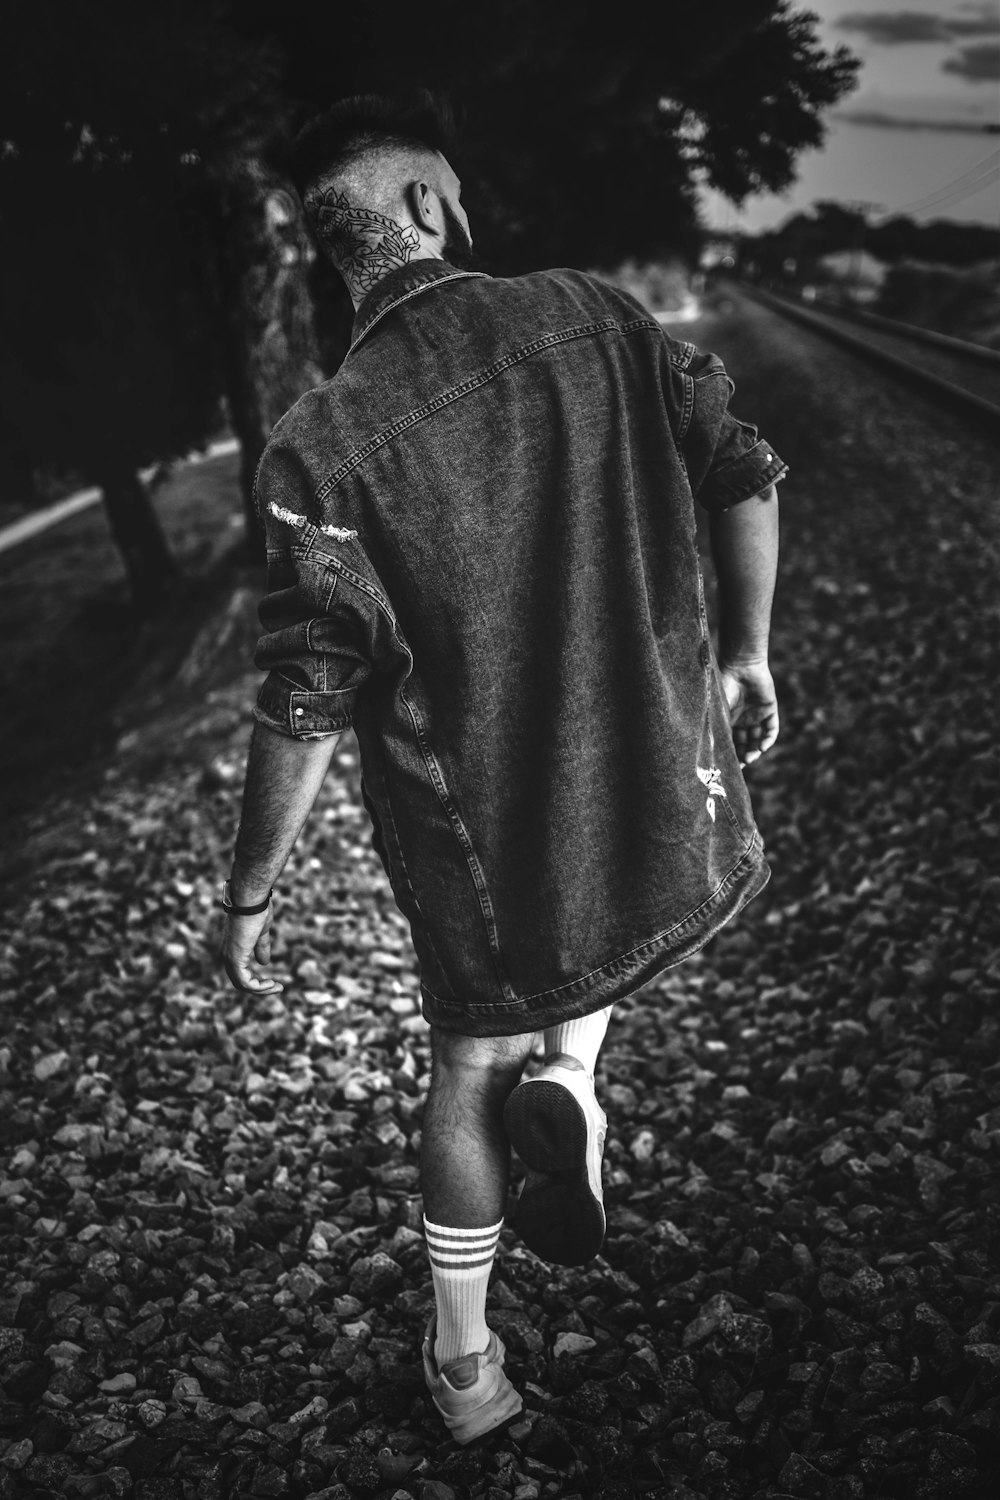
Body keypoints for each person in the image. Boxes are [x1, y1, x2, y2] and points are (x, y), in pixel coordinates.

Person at [220, 93, 784, 1444]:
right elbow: (749, 474)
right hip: (652, 776)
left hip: (467, 828)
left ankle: (467, 1370)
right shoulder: (597, 315)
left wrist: (247, 898)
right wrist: (750, 658)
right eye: (453, 193)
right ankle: (578, 1075)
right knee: (597, 929)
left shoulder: (318, 443)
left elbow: (302, 703)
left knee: (467, 1071)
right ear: (424, 207)